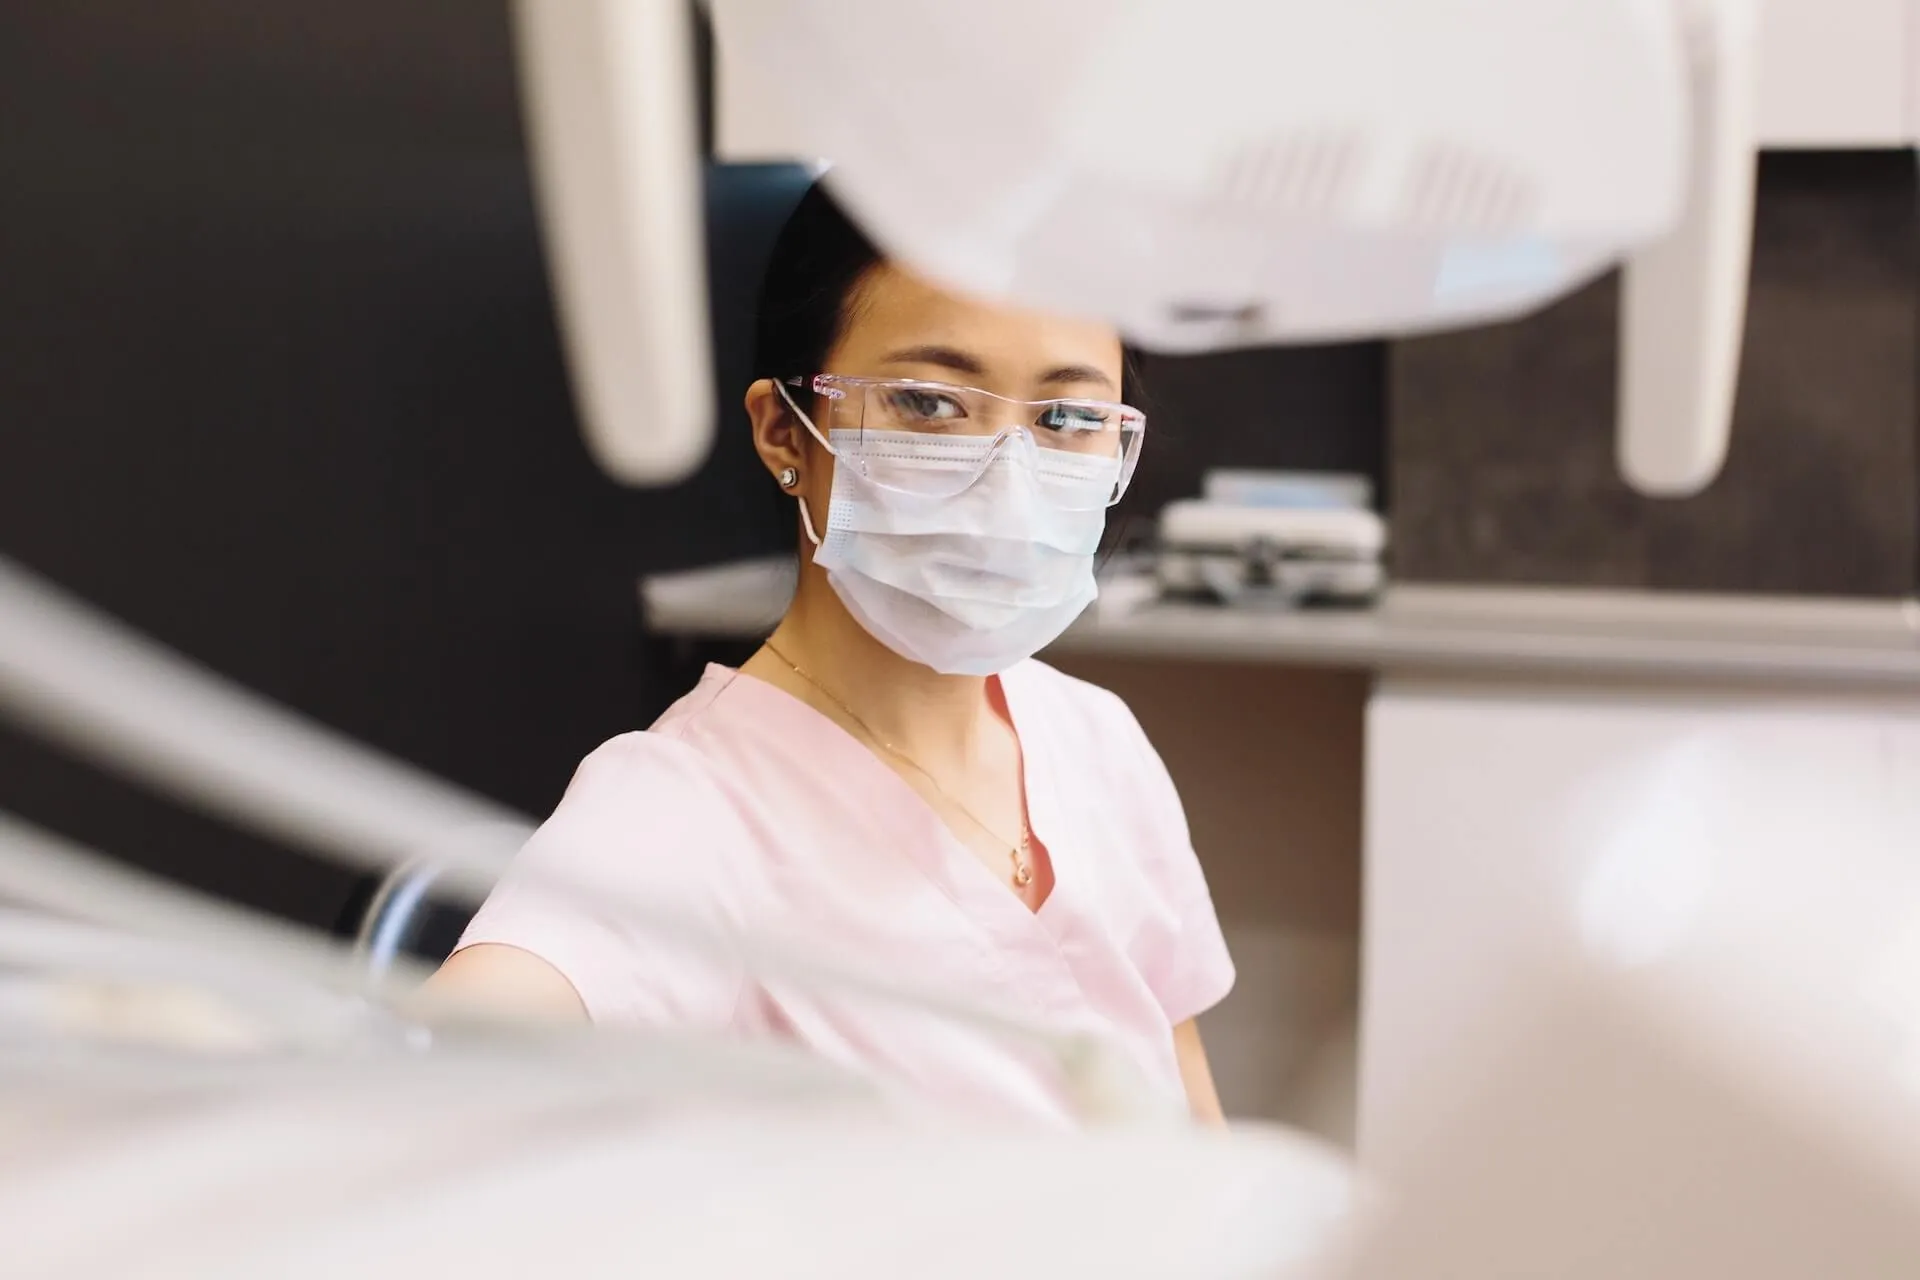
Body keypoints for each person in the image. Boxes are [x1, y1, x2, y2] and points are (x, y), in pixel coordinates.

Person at [428, 183, 1233, 1125]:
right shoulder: (687, 808)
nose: (1009, 482)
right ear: (784, 431)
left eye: (1067, 420)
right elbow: (460, 1057)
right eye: (929, 403)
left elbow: (1189, 1105)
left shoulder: (1096, 740)